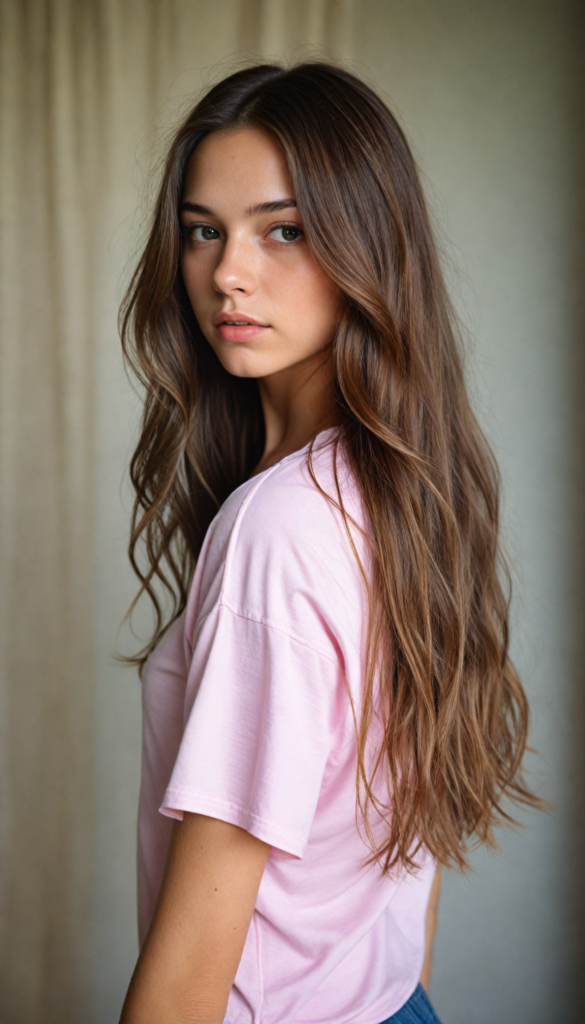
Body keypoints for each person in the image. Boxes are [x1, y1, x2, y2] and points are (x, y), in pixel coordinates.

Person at [117, 61, 540, 1024]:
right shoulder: (403, 491)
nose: (227, 270)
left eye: (283, 230)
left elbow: (190, 982)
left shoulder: (280, 530)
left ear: (366, 244)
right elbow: (412, 880)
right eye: (202, 231)